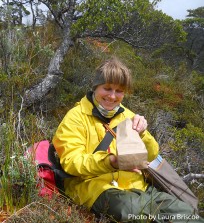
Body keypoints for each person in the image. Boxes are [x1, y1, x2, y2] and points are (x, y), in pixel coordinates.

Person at [52, 57, 200, 222]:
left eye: (119, 91)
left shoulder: (128, 116)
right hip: (93, 188)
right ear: (95, 87)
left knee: (186, 214)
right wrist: (112, 162)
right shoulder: (76, 117)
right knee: (133, 212)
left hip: (138, 188)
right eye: (107, 88)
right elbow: (72, 163)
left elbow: (151, 157)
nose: (112, 96)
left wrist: (143, 134)